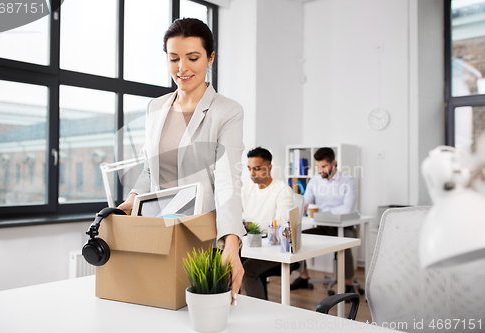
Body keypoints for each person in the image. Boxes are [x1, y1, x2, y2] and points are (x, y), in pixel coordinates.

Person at [118, 18, 246, 305]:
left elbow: (227, 182)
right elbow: (149, 168)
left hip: (200, 237)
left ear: (210, 58)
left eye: (193, 58)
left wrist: (232, 244)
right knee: (152, 309)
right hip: (155, 232)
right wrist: (132, 199)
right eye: (174, 58)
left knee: (199, 313)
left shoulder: (227, 111)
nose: (182, 68)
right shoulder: (156, 107)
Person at [290, 147, 358, 293]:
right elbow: (306, 201)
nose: (320, 170)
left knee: (344, 244)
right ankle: (304, 277)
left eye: (324, 166)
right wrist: (301, 206)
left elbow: (347, 209)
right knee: (298, 238)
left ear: (333, 163)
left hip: (344, 227)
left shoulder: (348, 181)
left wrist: (320, 212)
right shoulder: (314, 181)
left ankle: (348, 283)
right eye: (318, 167)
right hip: (323, 226)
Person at [241, 147, 294, 300]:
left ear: (269, 168)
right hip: (253, 244)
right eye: (249, 169)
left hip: (276, 247)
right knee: (228, 262)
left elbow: (282, 223)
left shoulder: (282, 190)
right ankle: (232, 308)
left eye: (257, 169)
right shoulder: (246, 191)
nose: (252, 173)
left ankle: (260, 312)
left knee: (248, 270)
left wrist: (251, 226)